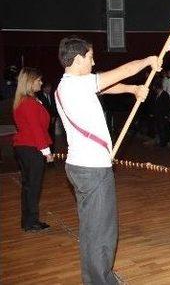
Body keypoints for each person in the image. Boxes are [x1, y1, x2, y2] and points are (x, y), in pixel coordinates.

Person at [55, 36, 160, 285]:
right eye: (90, 57)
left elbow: (105, 85)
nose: (93, 62)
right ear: (79, 59)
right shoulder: (76, 86)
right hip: (91, 169)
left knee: (94, 228)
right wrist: (147, 60)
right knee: (101, 232)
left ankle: (98, 277)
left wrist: (132, 89)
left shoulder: (70, 84)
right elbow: (120, 72)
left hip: (83, 166)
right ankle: (100, 281)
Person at [12, 67, 53, 232]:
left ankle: (28, 221)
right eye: (38, 80)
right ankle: (32, 222)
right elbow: (36, 129)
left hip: (25, 147)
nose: (41, 83)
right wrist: (46, 151)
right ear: (30, 82)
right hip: (31, 148)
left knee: (29, 186)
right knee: (33, 186)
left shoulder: (26, 100)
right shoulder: (28, 102)